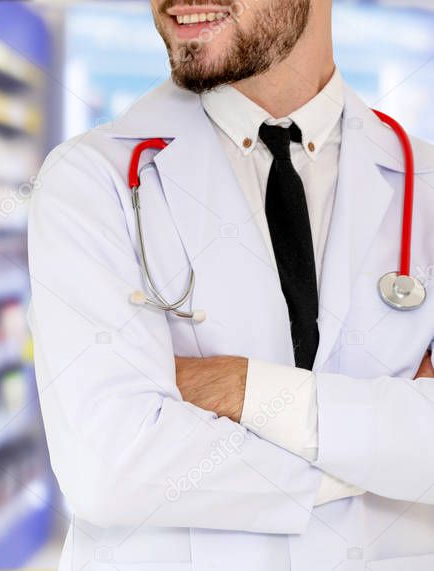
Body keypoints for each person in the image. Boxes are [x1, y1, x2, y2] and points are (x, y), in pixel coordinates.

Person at [28, 0, 434, 569]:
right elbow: (111, 467)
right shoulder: (89, 181)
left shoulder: (427, 186)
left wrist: (246, 390)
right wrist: (382, 447)